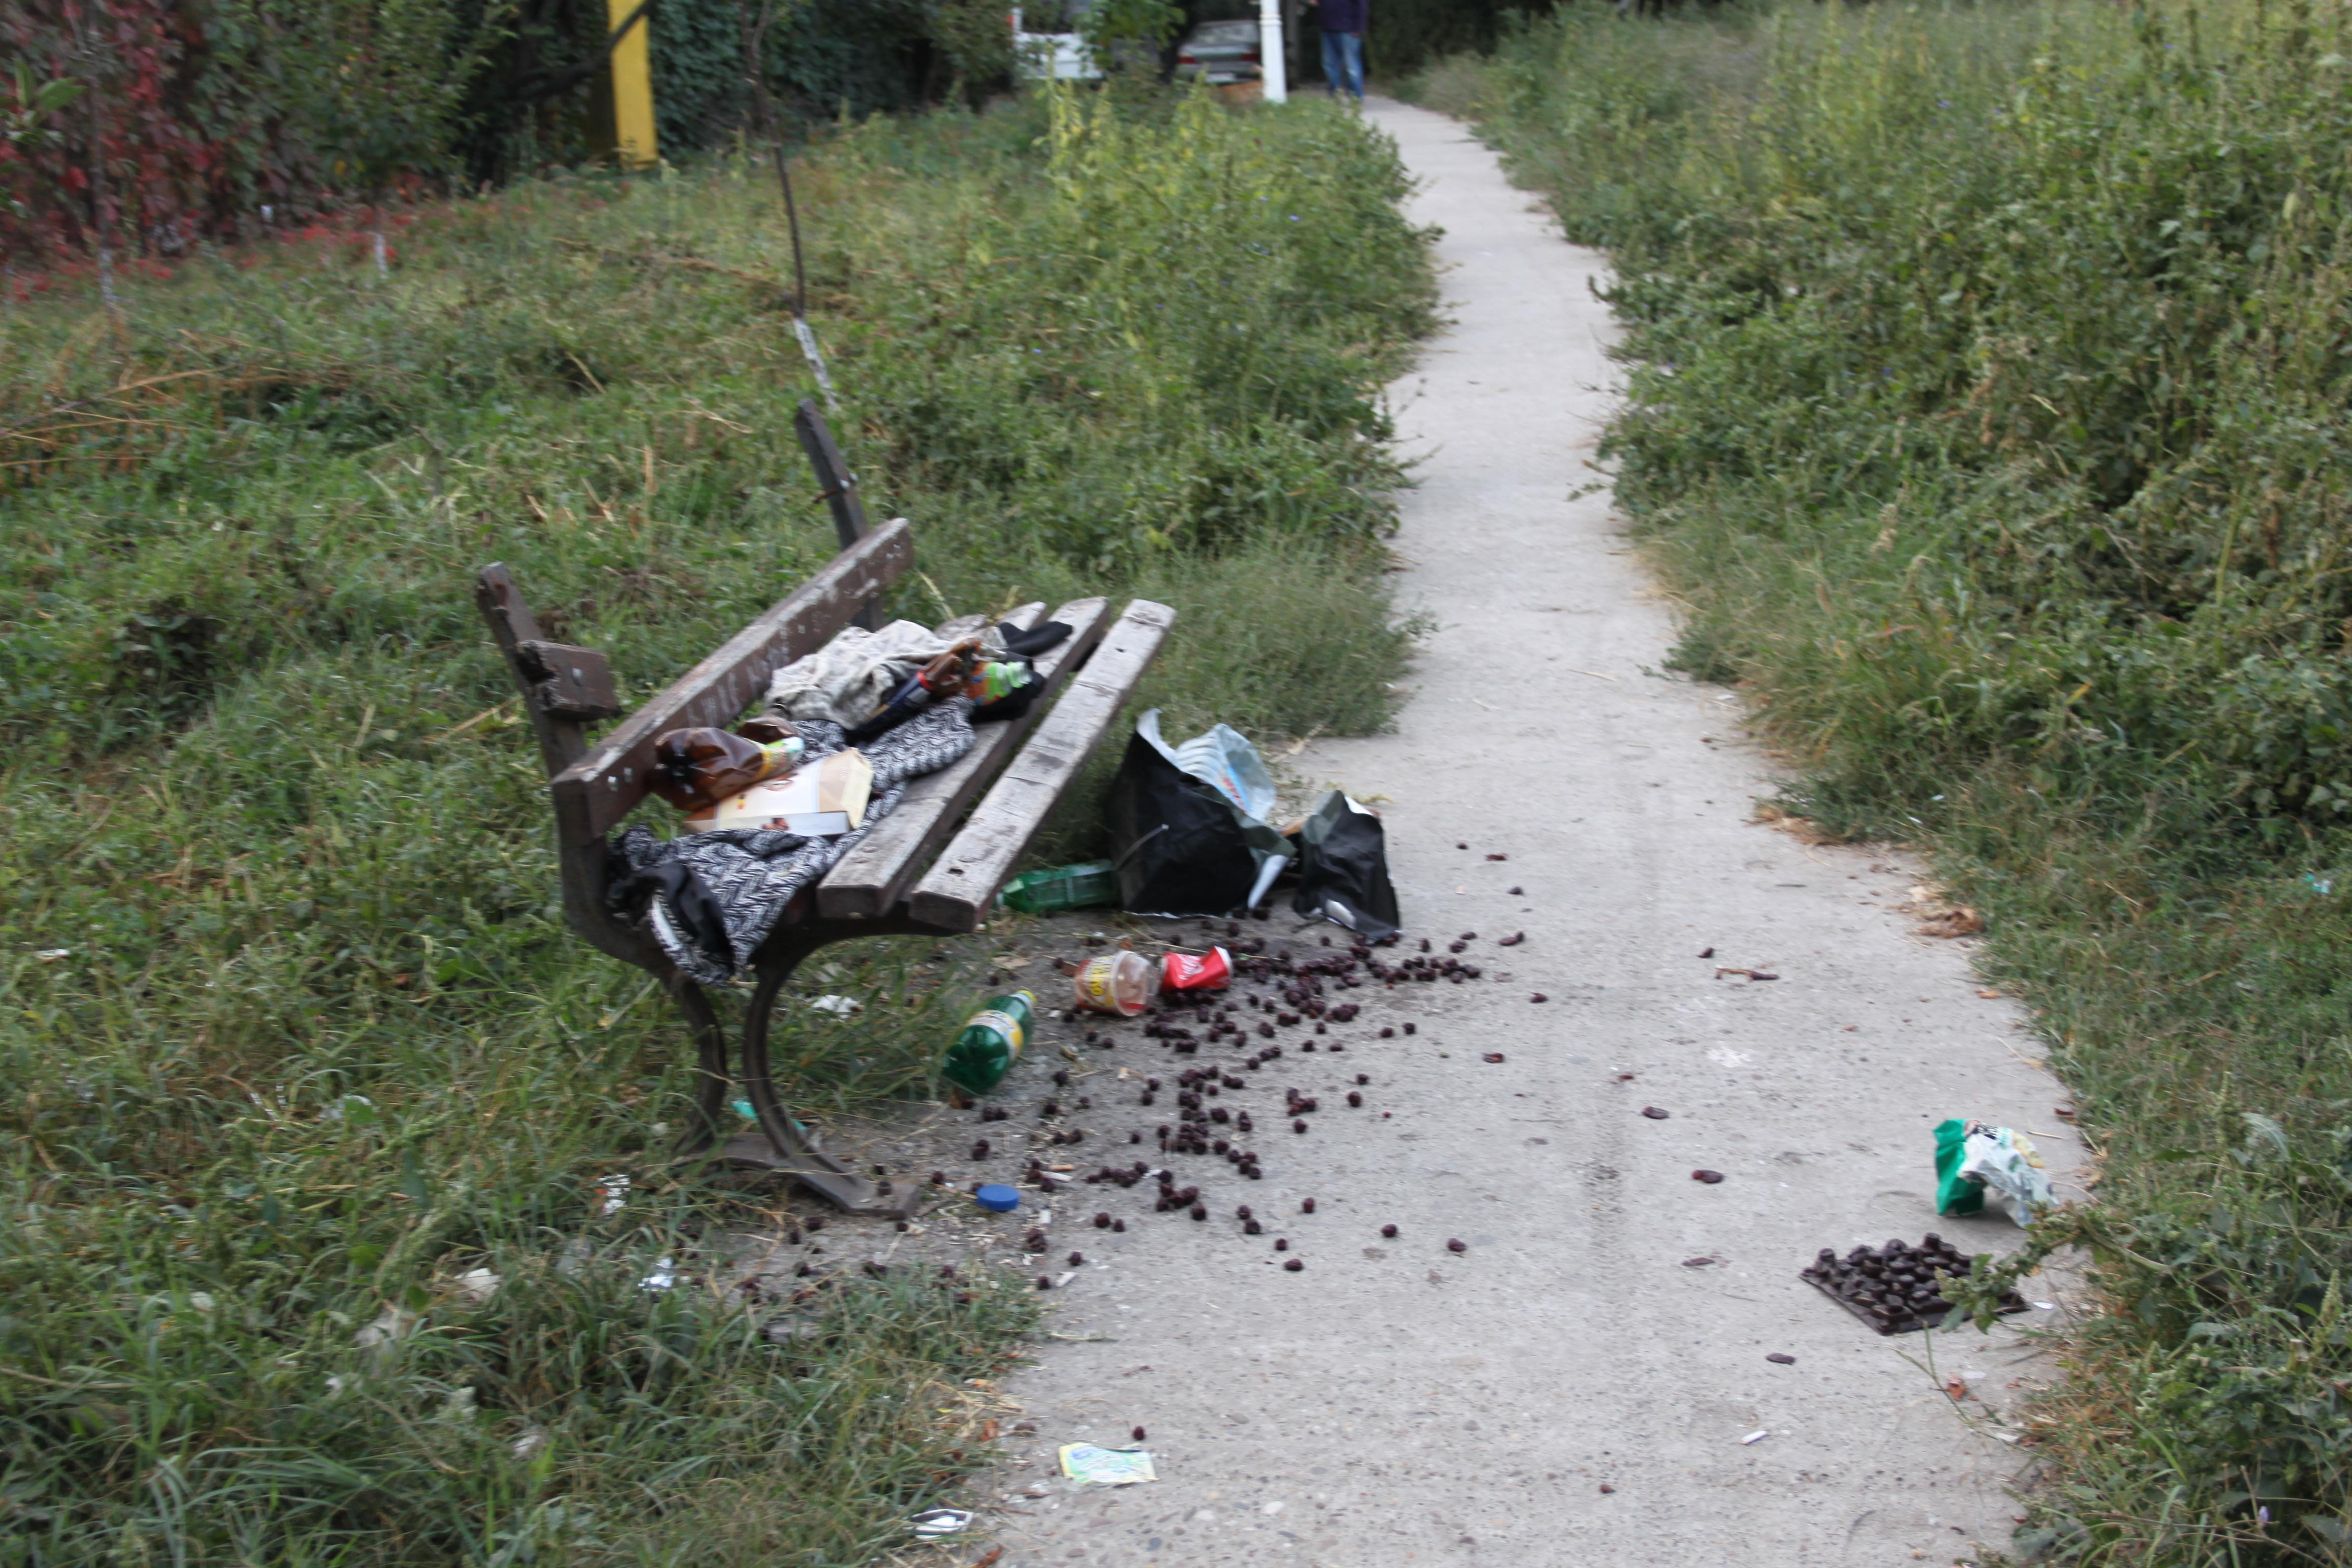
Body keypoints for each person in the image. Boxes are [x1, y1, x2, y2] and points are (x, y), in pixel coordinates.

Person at [1308, 0, 1366, 101]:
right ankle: (1334, 97)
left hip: (1349, 29)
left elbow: (1361, 4)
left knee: (1351, 66)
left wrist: (1359, 28)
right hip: (1327, 28)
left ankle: (1356, 98)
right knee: (1330, 66)